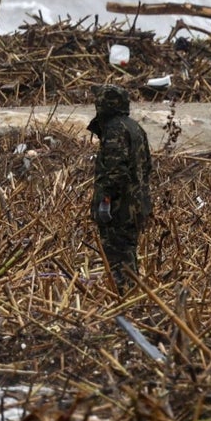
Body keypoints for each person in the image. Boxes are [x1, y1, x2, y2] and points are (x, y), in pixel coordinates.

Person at [88, 84, 152, 291]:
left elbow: (116, 172)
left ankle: (122, 295)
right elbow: (147, 166)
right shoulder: (135, 127)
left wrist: (105, 202)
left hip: (120, 208)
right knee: (127, 251)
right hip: (137, 204)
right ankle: (130, 291)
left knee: (117, 255)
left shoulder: (115, 130)